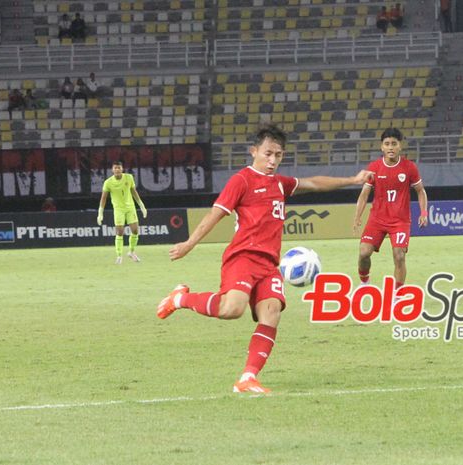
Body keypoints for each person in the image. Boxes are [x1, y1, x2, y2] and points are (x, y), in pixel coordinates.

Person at [156, 123, 372, 394]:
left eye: (278, 155)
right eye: (268, 153)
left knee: (270, 313)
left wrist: (353, 180)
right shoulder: (241, 181)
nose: (272, 161)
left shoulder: (280, 184)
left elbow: (314, 183)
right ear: (254, 151)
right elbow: (216, 213)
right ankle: (179, 298)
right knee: (231, 309)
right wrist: (189, 244)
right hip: (242, 258)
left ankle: (247, 377)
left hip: (270, 264)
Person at [353, 128, 428, 290]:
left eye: (394, 144)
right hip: (377, 220)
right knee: (364, 252)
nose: (390, 147)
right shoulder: (374, 167)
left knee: (399, 256)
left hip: (400, 221)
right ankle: (364, 283)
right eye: (387, 144)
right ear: (382, 147)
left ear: (400, 146)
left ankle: (397, 293)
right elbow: (364, 194)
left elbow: (421, 191)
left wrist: (424, 212)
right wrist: (358, 216)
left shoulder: (409, 167)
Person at [97, 161, 148, 264]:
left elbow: (134, 192)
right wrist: (100, 213)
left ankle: (131, 252)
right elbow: (103, 198)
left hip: (130, 208)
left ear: (122, 169)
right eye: (115, 168)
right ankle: (119, 256)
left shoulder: (129, 178)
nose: (117, 170)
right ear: (112, 170)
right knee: (120, 232)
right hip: (118, 209)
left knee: (135, 230)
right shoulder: (108, 182)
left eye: (119, 168)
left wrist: (142, 206)